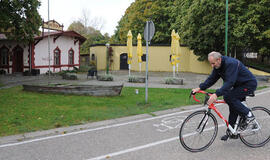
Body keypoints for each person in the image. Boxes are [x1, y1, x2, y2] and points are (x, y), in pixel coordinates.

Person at [192, 51, 257, 140]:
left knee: (229, 97)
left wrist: (216, 94)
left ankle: (249, 115)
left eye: (213, 63)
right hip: (238, 85)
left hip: (248, 84)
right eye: (210, 63)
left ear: (219, 59)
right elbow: (211, 79)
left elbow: (230, 82)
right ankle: (232, 131)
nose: (212, 66)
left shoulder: (231, 64)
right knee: (233, 105)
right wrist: (200, 88)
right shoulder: (218, 66)